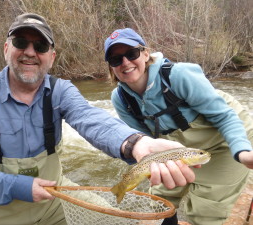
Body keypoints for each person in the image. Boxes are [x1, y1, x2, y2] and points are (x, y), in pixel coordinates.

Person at [0, 14, 197, 225]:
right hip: (4, 213)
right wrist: (21, 187)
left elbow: (91, 118)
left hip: (58, 198)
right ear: (7, 48)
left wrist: (136, 143)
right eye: (20, 42)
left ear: (52, 56)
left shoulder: (60, 90)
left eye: (40, 46)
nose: (30, 52)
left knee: (117, 218)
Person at [104, 28, 253, 225]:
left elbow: (225, 117)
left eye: (131, 54)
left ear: (145, 54)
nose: (125, 62)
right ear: (111, 67)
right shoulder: (120, 99)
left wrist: (242, 152)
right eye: (116, 60)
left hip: (227, 138)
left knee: (206, 209)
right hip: (175, 147)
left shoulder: (179, 75)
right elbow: (144, 142)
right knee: (160, 197)